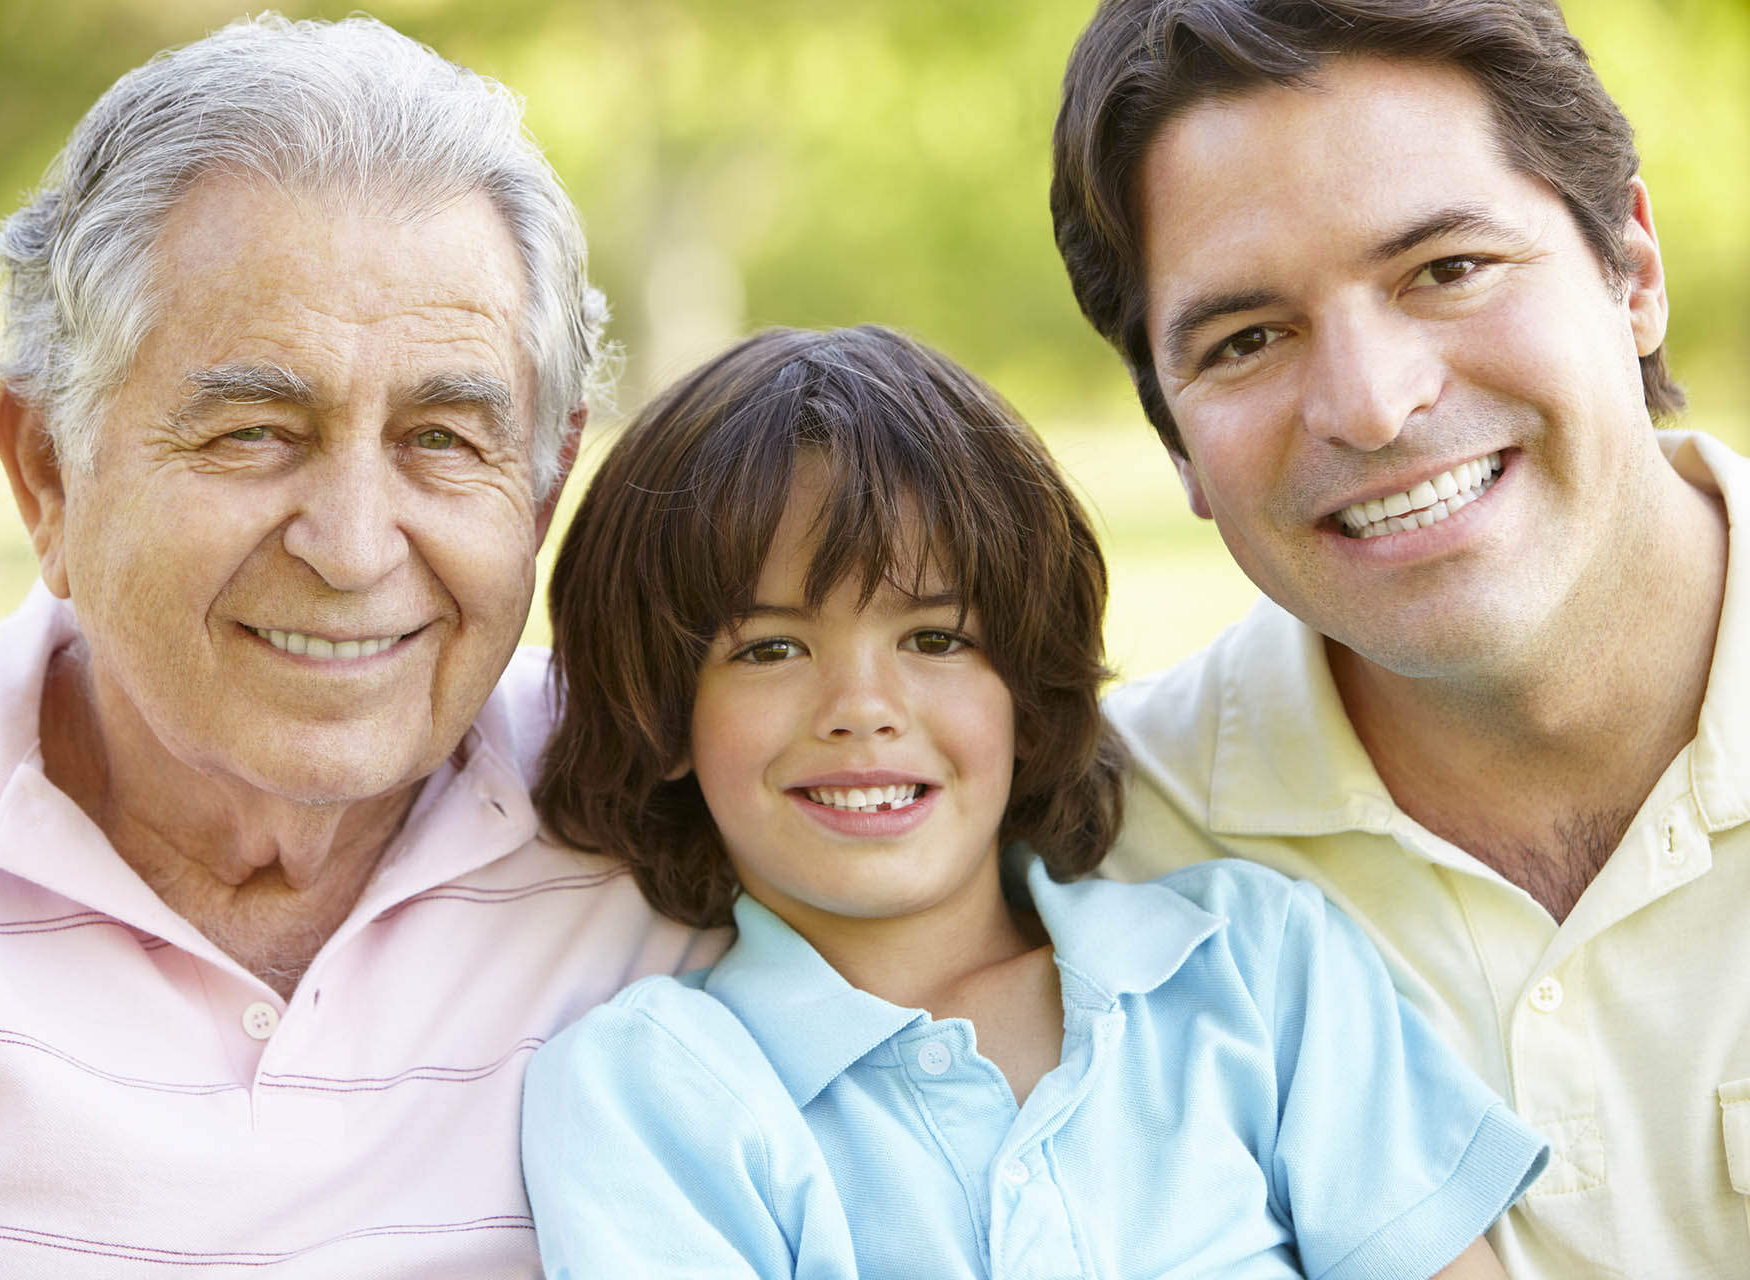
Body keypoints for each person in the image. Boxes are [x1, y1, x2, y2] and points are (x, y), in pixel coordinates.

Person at [0, 16, 717, 1277]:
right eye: (254, 430)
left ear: (545, 485)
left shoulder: (688, 818)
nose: (354, 546)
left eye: (444, 439)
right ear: (47, 473)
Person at [518, 323, 1546, 1278]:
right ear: (658, 712)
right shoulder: (652, 1088)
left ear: (1027, 687)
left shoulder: (1255, 969)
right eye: (771, 647)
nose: (862, 708)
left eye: (935, 637)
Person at [1049, 0, 1745, 1274]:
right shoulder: (1092, 864)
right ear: (1176, 444)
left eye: (1447, 268)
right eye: (1247, 338)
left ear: (1632, 274)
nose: (1372, 405)